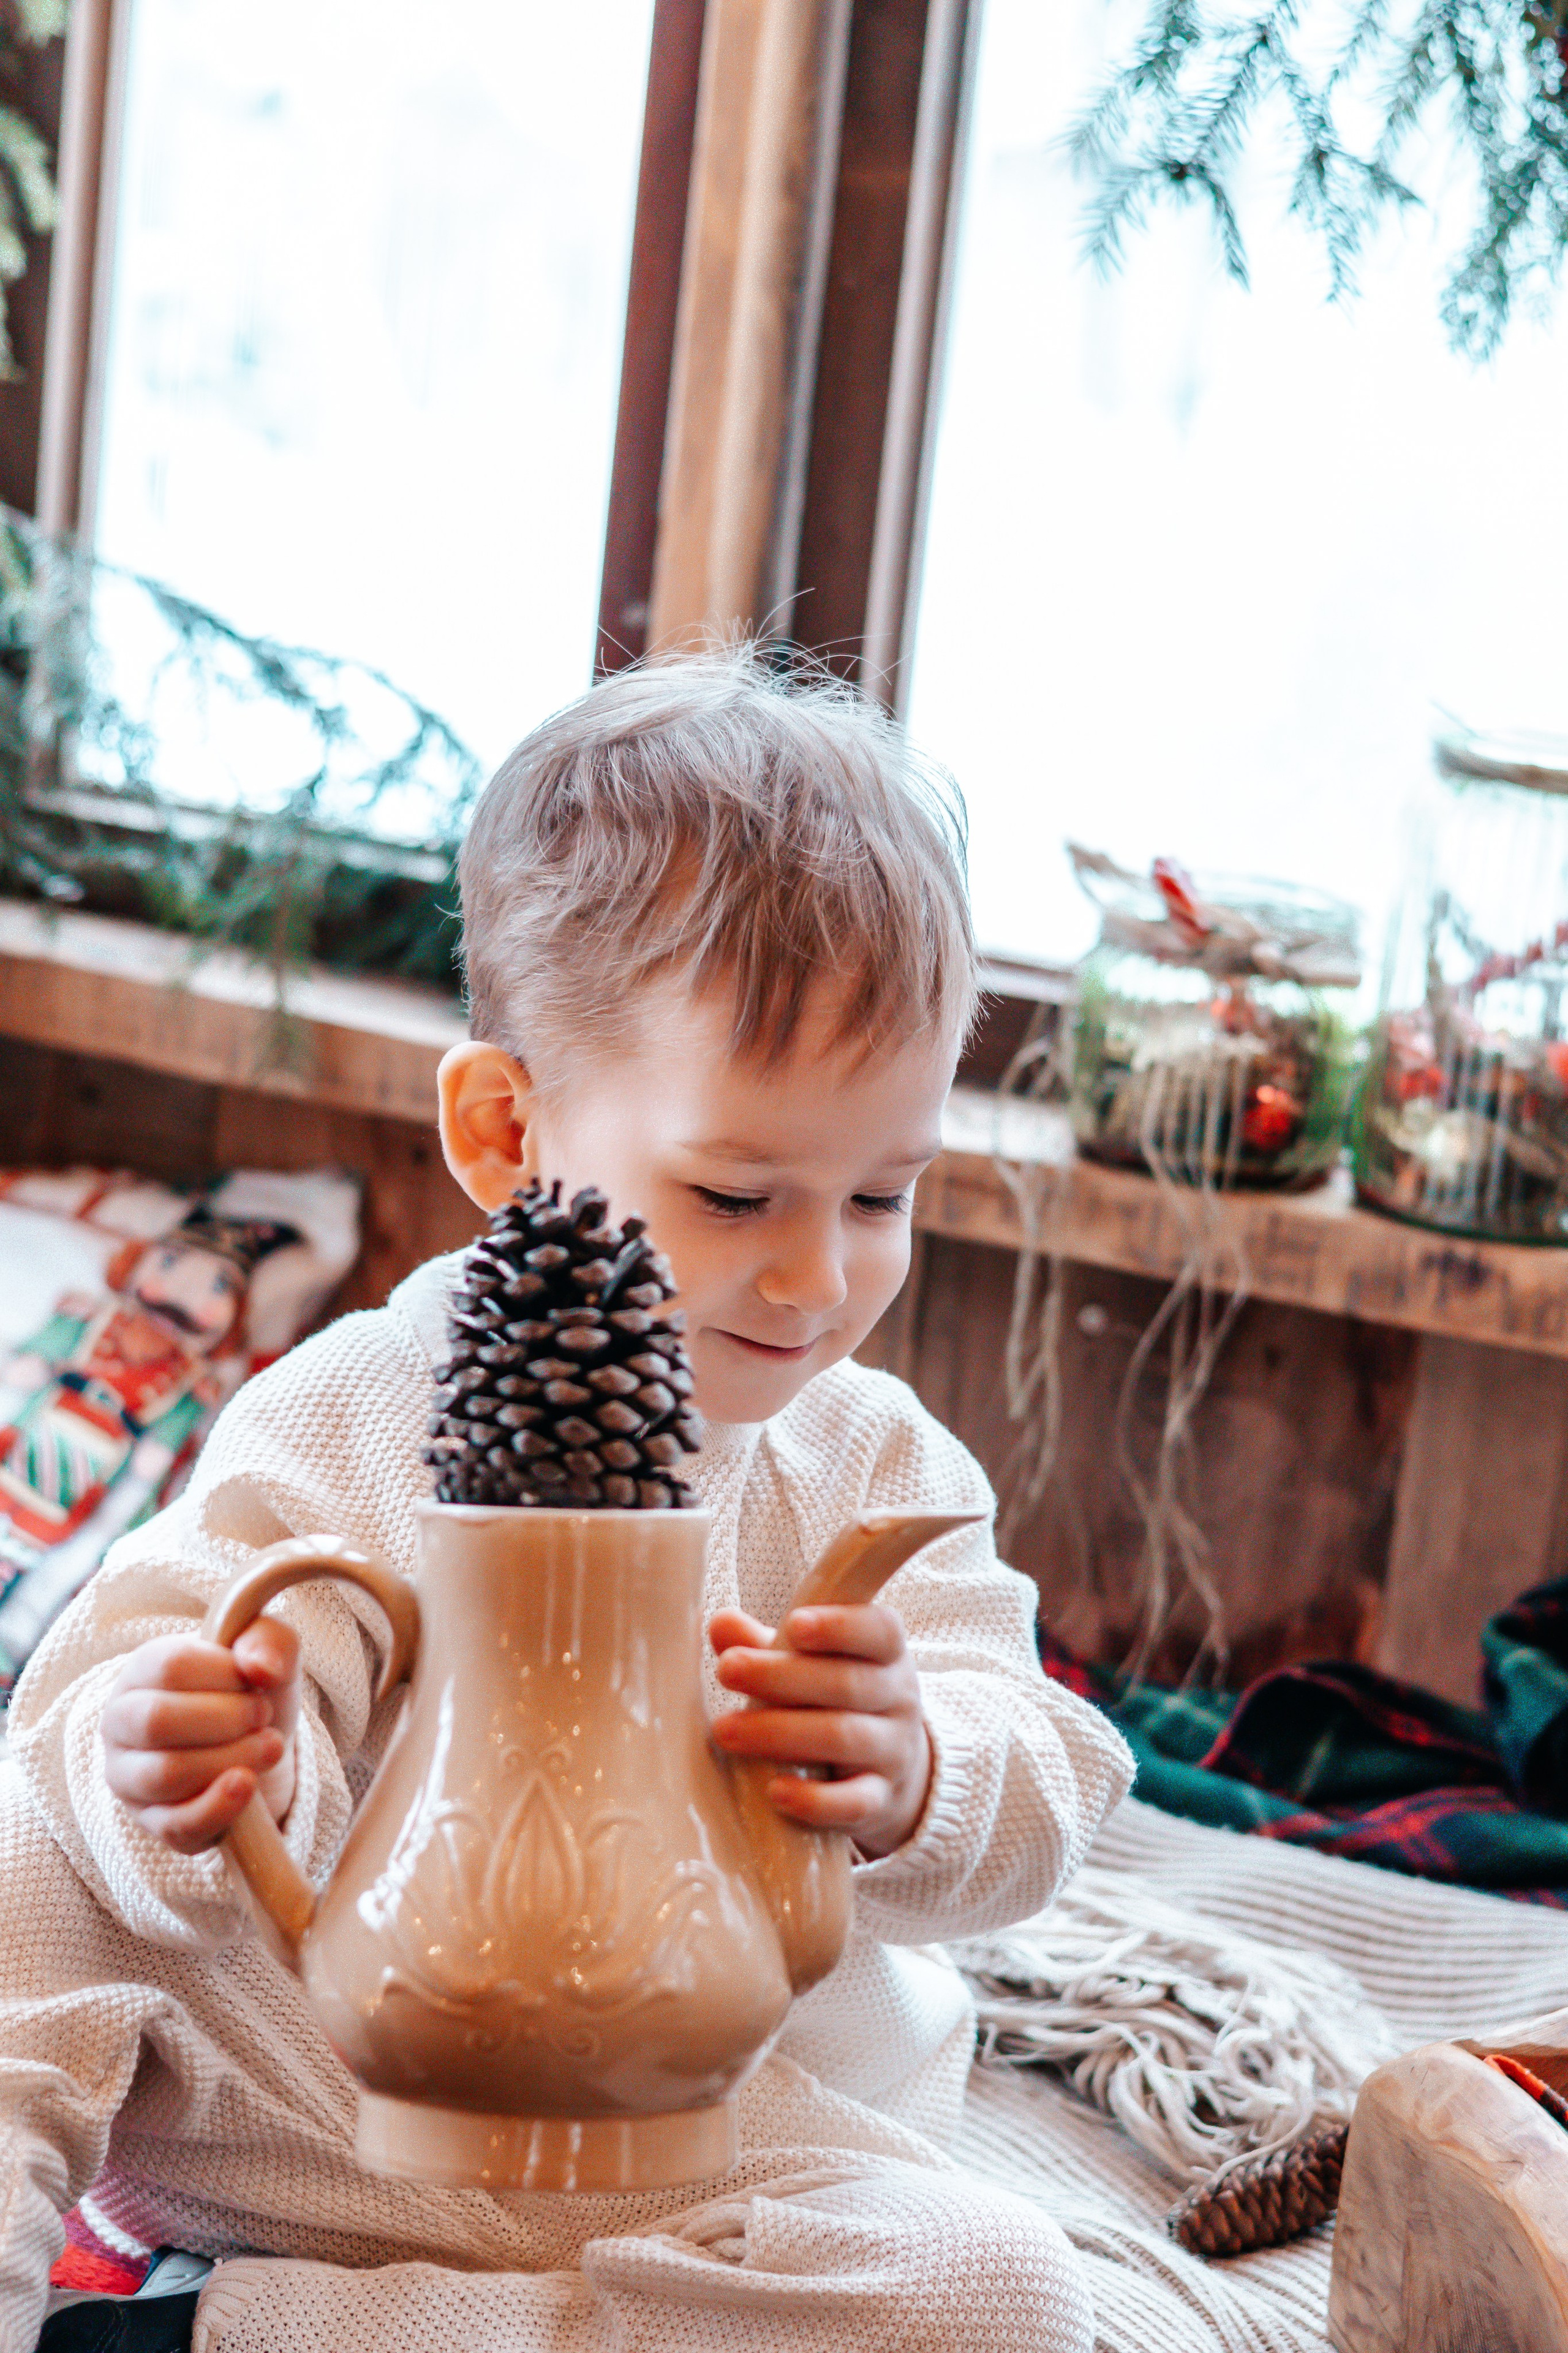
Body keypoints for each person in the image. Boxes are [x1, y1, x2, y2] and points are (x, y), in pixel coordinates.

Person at [0, 647, 1133, 2353]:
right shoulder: (357, 1410)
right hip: (330, 2114)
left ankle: (226, 2337)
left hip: (706, 2144)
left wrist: (915, 1770)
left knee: (1006, 2294)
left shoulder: (875, 1469)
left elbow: (1049, 1782)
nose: (818, 1275)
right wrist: (190, 1761)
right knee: (29, 1843)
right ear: (510, 1132)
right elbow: (151, 1670)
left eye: (886, 1193)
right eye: (739, 1190)